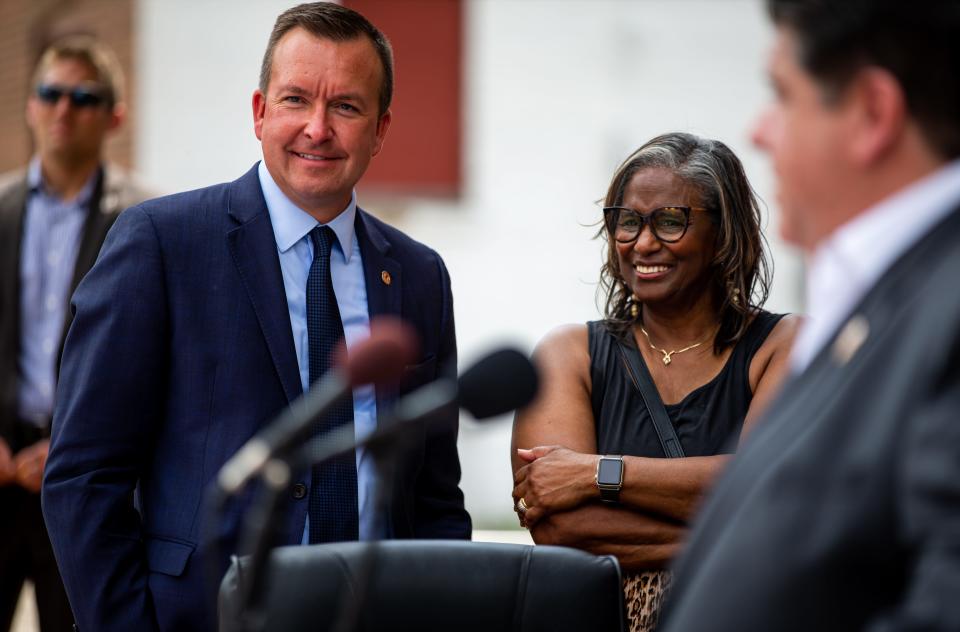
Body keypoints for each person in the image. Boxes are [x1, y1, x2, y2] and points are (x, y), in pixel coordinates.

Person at [41, 4, 471, 631]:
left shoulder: (418, 275)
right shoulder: (161, 243)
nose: (317, 128)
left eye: (346, 107)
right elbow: (84, 476)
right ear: (260, 112)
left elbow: (433, 495)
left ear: (380, 131)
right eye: (296, 99)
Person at [660, 1, 960, 630]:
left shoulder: (942, 309)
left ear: (873, 113)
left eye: (782, 95)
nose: (759, 131)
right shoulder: (885, 296)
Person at [511, 132, 797, 632]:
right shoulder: (568, 354)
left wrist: (593, 473)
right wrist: (739, 532)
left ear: (723, 235)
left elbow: (771, 489)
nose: (642, 243)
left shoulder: (784, 345)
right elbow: (559, 527)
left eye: (670, 221)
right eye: (627, 221)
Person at [0, 35, 152, 632]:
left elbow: (144, 358)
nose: (64, 108)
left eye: (83, 97)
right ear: (32, 105)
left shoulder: (142, 219)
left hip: (85, 480)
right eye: (51, 93)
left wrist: (72, 443)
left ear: (114, 115)